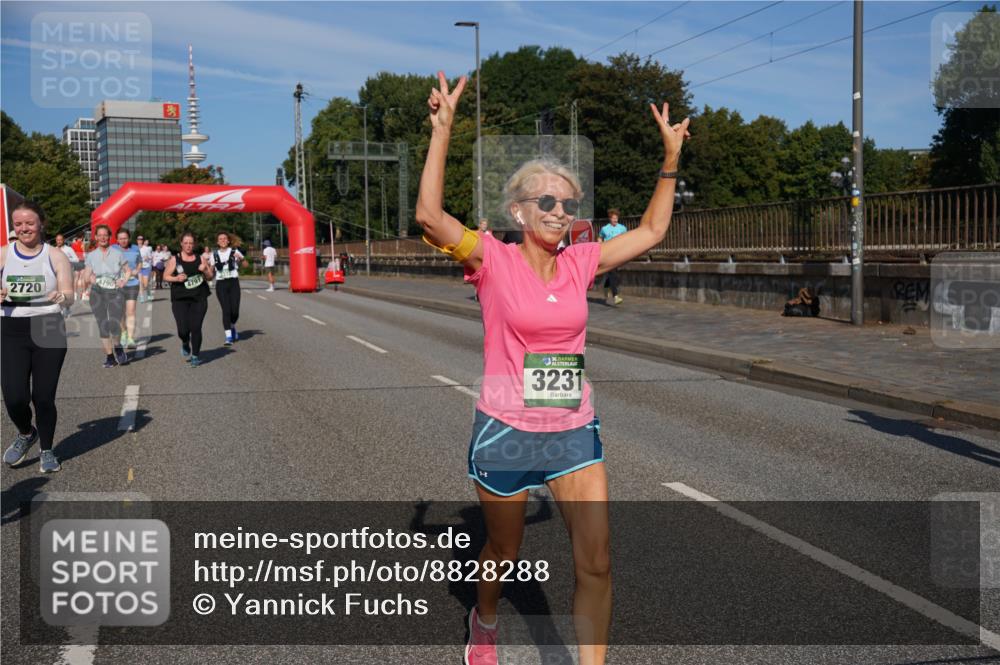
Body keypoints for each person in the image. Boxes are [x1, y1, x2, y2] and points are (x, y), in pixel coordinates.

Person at [415, 71, 689, 665]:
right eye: (546, 202)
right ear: (518, 210)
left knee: (597, 562)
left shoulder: (581, 262)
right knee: (503, 552)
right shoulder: (491, 259)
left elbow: (653, 230)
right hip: (506, 430)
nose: (559, 212)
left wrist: (670, 160)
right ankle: (485, 620)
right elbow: (430, 217)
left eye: (567, 203)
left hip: (571, 429)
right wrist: (443, 131)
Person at [1, 201, 75, 473]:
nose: (24, 228)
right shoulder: (3, 254)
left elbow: (70, 295)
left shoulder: (56, 256)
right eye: (18, 223)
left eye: (29, 223)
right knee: (14, 397)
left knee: (43, 397)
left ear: (41, 224)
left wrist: (61, 296)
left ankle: (47, 449)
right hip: (12, 329)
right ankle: (26, 433)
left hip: (48, 327)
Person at [164, 232, 213, 367]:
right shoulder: (175, 259)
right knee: (183, 330)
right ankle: (185, 342)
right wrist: (176, 278)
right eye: (186, 243)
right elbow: (165, 276)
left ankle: (195, 356)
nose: (188, 245)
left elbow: (210, 277)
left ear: (194, 244)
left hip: (199, 297)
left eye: (191, 243)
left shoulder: (200, 258)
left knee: (196, 327)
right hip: (180, 299)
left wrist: (205, 270)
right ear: (181, 243)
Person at [82, 225, 129, 367]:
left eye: (105, 235)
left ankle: (118, 346)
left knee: (114, 323)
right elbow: (87, 274)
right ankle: (110, 357)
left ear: (109, 237)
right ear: (96, 237)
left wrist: (123, 281)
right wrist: (90, 278)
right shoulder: (91, 255)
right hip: (97, 291)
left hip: (114, 291)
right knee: (102, 324)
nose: (103, 237)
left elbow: (127, 271)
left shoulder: (118, 254)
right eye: (100, 235)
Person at [212, 232, 246, 346]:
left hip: (233, 283)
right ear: (217, 242)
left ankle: (232, 326)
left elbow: (246, 265)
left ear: (228, 241)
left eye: (224, 238)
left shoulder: (234, 251)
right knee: (226, 310)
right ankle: (228, 337)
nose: (222, 240)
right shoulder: (214, 254)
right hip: (221, 284)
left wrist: (241, 259)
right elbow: (210, 271)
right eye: (220, 239)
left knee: (235, 311)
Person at [115, 229, 141, 349]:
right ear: (117, 239)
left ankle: (130, 338)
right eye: (121, 239)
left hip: (132, 283)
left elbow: (140, 262)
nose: (123, 241)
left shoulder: (135, 248)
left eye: (125, 238)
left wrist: (136, 270)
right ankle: (124, 331)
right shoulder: (113, 249)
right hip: (118, 284)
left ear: (129, 238)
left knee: (131, 311)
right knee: (119, 312)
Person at [597, 209, 627, 305]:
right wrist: (600, 245)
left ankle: (606, 287)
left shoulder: (622, 228)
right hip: (608, 253)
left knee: (614, 274)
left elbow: (626, 238)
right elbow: (600, 237)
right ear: (610, 219)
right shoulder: (605, 228)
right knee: (612, 273)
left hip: (618, 253)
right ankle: (616, 296)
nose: (615, 220)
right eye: (613, 218)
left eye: (616, 218)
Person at [137, 236, 153, 302]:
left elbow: (151, 257)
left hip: (146, 267)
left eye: (141, 239)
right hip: (139, 267)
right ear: (137, 241)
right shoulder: (135, 249)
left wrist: (148, 258)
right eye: (139, 239)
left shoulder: (146, 248)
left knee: (145, 284)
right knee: (140, 282)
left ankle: (148, 293)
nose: (140, 241)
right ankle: (141, 296)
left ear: (143, 241)